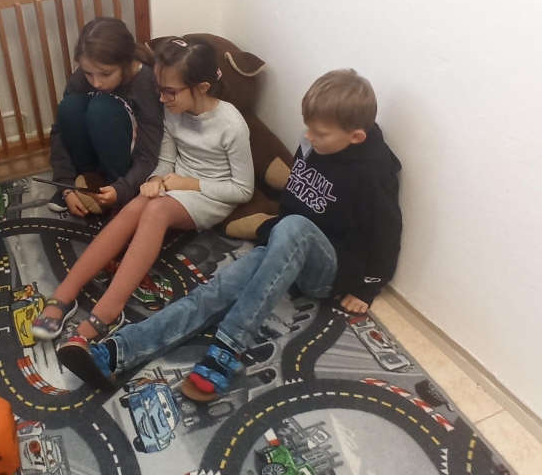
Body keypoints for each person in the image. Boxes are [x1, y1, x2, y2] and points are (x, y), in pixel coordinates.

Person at [58, 69, 403, 401]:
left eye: (320, 134)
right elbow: (295, 198)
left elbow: (388, 230)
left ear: (356, 137)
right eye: (308, 128)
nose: (309, 137)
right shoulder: (315, 142)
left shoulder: (373, 173)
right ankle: (119, 350)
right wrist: (276, 233)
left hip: (329, 269)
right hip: (288, 247)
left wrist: (368, 286)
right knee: (215, 291)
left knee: (292, 227)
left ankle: (228, 347)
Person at [31, 37, 253, 344]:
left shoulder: (232, 125)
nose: (162, 98)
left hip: (212, 195)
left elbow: (242, 190)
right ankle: (65, 294)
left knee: (155, 210)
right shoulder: (173, 109)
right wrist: (156, 179)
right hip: (176, 181)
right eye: (160, 89)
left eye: (170, 91)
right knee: (137, 204)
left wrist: (188, 184)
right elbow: (166, 159)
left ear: (202, 87)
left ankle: (109, 310)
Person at [47, 17, 163, 216]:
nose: (96, 83)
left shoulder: (146, 83)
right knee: (69, 106)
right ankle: (87, 182)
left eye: (106, 74)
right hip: (93, 161)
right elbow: (60, 132)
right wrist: (65, 185)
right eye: (88, 73)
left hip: (127, 167)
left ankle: (118, 191)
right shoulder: (83, 76)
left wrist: (123, 189)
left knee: (101, 108)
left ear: (125, 63)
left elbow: (150, 154)